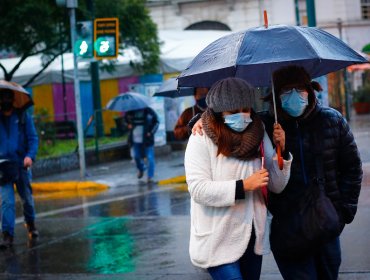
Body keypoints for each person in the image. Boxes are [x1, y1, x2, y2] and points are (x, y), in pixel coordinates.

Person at [184, 77, 292, 280]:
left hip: (252, 237)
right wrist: (243, 186)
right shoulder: (201, 138)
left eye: (246, 109)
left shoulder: (259, 133)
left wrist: (282, 152)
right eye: (233, 112)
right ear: (219, 112)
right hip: (217, 240)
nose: (242, 116)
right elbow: (198, 189)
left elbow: (277, 185)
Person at [260, 65, 363, 279]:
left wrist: (343, 213)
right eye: (286, 92)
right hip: (287, 228)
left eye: (299, 89)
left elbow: (352, 168)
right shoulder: (265, 125)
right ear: (276, 97)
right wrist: (199, 123)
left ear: (310, 90)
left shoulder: (332, 120)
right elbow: (225, 126)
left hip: (326, 223)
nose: (294, 96)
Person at [0, 88, 39, 249]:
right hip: (3, 166)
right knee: (7, 202)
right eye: (2, 98)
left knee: (27, 200)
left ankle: (30, 223)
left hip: (21, 164)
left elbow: (33, 138)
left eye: (8, 97)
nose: (5, 101)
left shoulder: (23, 117)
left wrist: (30, 155)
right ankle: (7, 234)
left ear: (13, 99)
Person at [124, 107, 159, 183]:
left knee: (150, 158)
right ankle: (141, 169)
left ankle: (150, 176)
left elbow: (156, 122)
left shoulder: (149, 111)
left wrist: (151, 132)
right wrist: (128, 125)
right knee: (136, 156)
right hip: (135, 140)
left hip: (147, 139)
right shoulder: (130, 112)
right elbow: (125, 121)